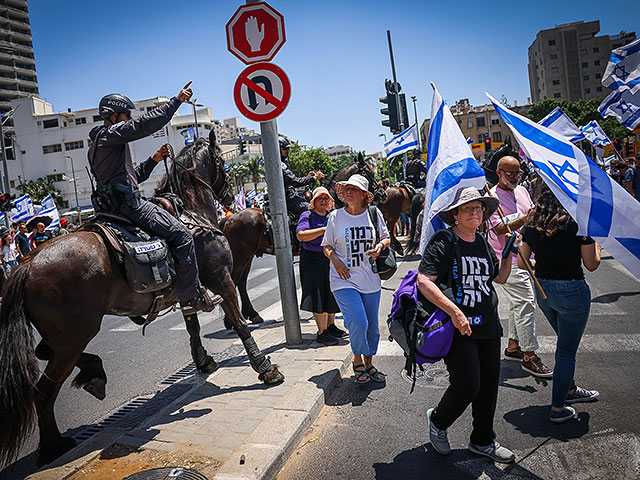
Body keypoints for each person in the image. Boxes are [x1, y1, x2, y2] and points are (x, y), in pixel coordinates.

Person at [88, 82, 213, 313]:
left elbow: (131, 177)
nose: (128, 119)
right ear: (113, 116)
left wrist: (154, 160)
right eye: (125, 115)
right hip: (130, 207)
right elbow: (144, 124)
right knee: (183, 236)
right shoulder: (112, 134)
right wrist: (176, 102)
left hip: (111, 208)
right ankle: (189, 298)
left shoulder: (98, 145)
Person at [417, 187, 516, 463]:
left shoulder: (483, 242)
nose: (475, 212)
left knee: (488, 387)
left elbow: (500, 279)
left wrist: (508, 252)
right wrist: (454, 312)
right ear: (456, 215)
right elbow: (424, 281)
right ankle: (438, 420)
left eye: (479, 208)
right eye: (468, 208)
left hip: (488, 326)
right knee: (468, 385)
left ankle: (482, 440)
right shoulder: (445, 240)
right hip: (459, 328)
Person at [518, 183, 601, 423]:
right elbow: (592, 263)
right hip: (572, 290)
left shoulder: (534, 221)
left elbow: (523, 262)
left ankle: (571, 389)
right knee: (566, 351)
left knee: (564, 344)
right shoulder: (579, 221)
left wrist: (543, 265)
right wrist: (596, 239)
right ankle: (558, 406)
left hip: (544, 290)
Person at [487, 156, 552, 378]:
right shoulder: (491, 197)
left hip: (526, 256)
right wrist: (525, 218)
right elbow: (497, 229)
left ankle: (514, 346)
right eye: (510, 173)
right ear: (499, 173)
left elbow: (532, 215)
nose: (515, 177)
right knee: (526, 303)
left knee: (518, 304)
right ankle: (530, 356)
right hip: (506, 258)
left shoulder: (522, 191)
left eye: (518, 173)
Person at [322, 174, 390, 383]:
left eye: (354, 189)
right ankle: (357, 360)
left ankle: (369, 364)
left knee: (371, 325)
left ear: (363, 195)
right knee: (357, 321)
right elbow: (326, 245)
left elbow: (386, 237)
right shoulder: (335, 216)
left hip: (370, 278)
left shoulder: (373, 213)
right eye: (347, 189)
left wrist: (380, 247)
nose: (348, 192)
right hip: (343, 279)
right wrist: (336, 260)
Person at [296, 187, 345, 346]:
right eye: (320, 198)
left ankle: (330, 326)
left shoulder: (333, 215)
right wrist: (323, 230)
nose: (323, 201)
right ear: (314, 201)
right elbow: (301, 235)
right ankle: (321, 332)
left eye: (326, 198)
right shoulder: (307, 215)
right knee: (318, 295)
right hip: (312, 259)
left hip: (329, 258)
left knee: (331, 293)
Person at [279, 136, 324, 215]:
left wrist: (307, 178)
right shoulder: (280, 165)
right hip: (287, 198)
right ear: (278, 150)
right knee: (312, 209)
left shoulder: (282, 163)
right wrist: (313, 178)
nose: (288, 151)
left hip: (289, 194)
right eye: (285, 149)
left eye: (288, 148)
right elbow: (294, 181)